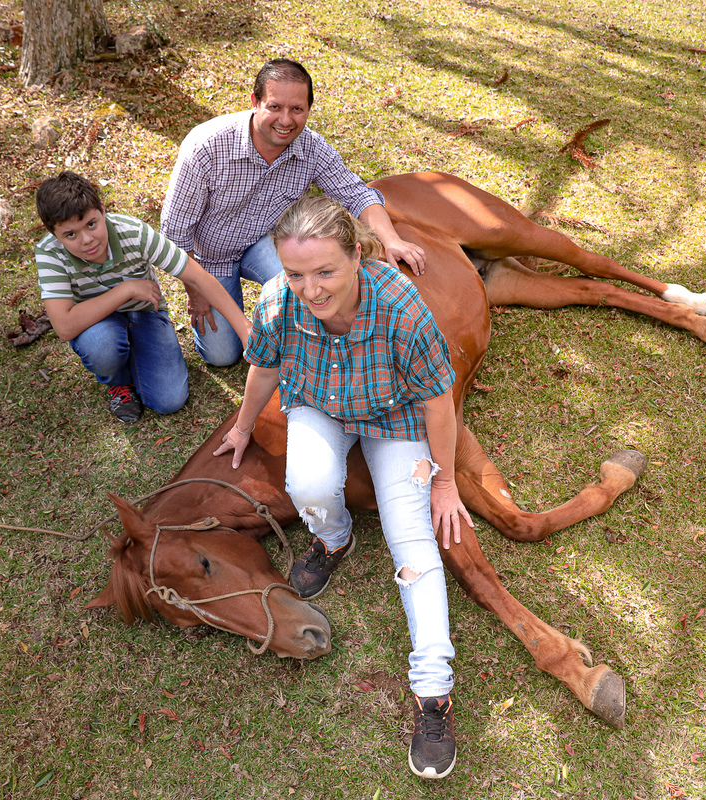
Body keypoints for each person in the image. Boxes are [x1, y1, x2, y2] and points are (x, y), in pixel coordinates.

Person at [212, 196, 471, 780]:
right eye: (297, 273)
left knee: (413, 543)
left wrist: (446, 482)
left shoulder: (402, 309)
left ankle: (434, 692)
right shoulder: (278, 299)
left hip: (394, 420)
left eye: (325, 271)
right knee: (308, 486)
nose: (311, 288)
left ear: (356, 254)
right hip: (318, 406)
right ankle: (334, 540)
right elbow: (264, 366)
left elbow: (436, 401)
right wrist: (244, 425)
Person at [160, 58, 426, 368]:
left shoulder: (312, 148)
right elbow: (175, 235)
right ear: (255, 102)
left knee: (312, 290)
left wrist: (391, 240)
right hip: (210, 257)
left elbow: (357, 195)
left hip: (266, 243)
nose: (285, 120)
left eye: (297, 109)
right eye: (275, 107)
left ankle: (313, 348)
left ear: (309, 109)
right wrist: (196, 290)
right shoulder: (206, 147)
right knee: (223, 356)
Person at [35, 171, 251, 423]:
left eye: (91, 224)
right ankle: (118, 381)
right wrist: (125, 290)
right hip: (94, 324)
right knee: (102, 346)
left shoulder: (133, 232)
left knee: (170, 400)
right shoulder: (49, 254)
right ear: (53, 234)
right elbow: (64, 326)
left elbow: (198, 276)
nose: (86, 240)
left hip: (145, 313)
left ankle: (136, 354)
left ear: (102, 211)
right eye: (70, 234)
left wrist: (244, 329)